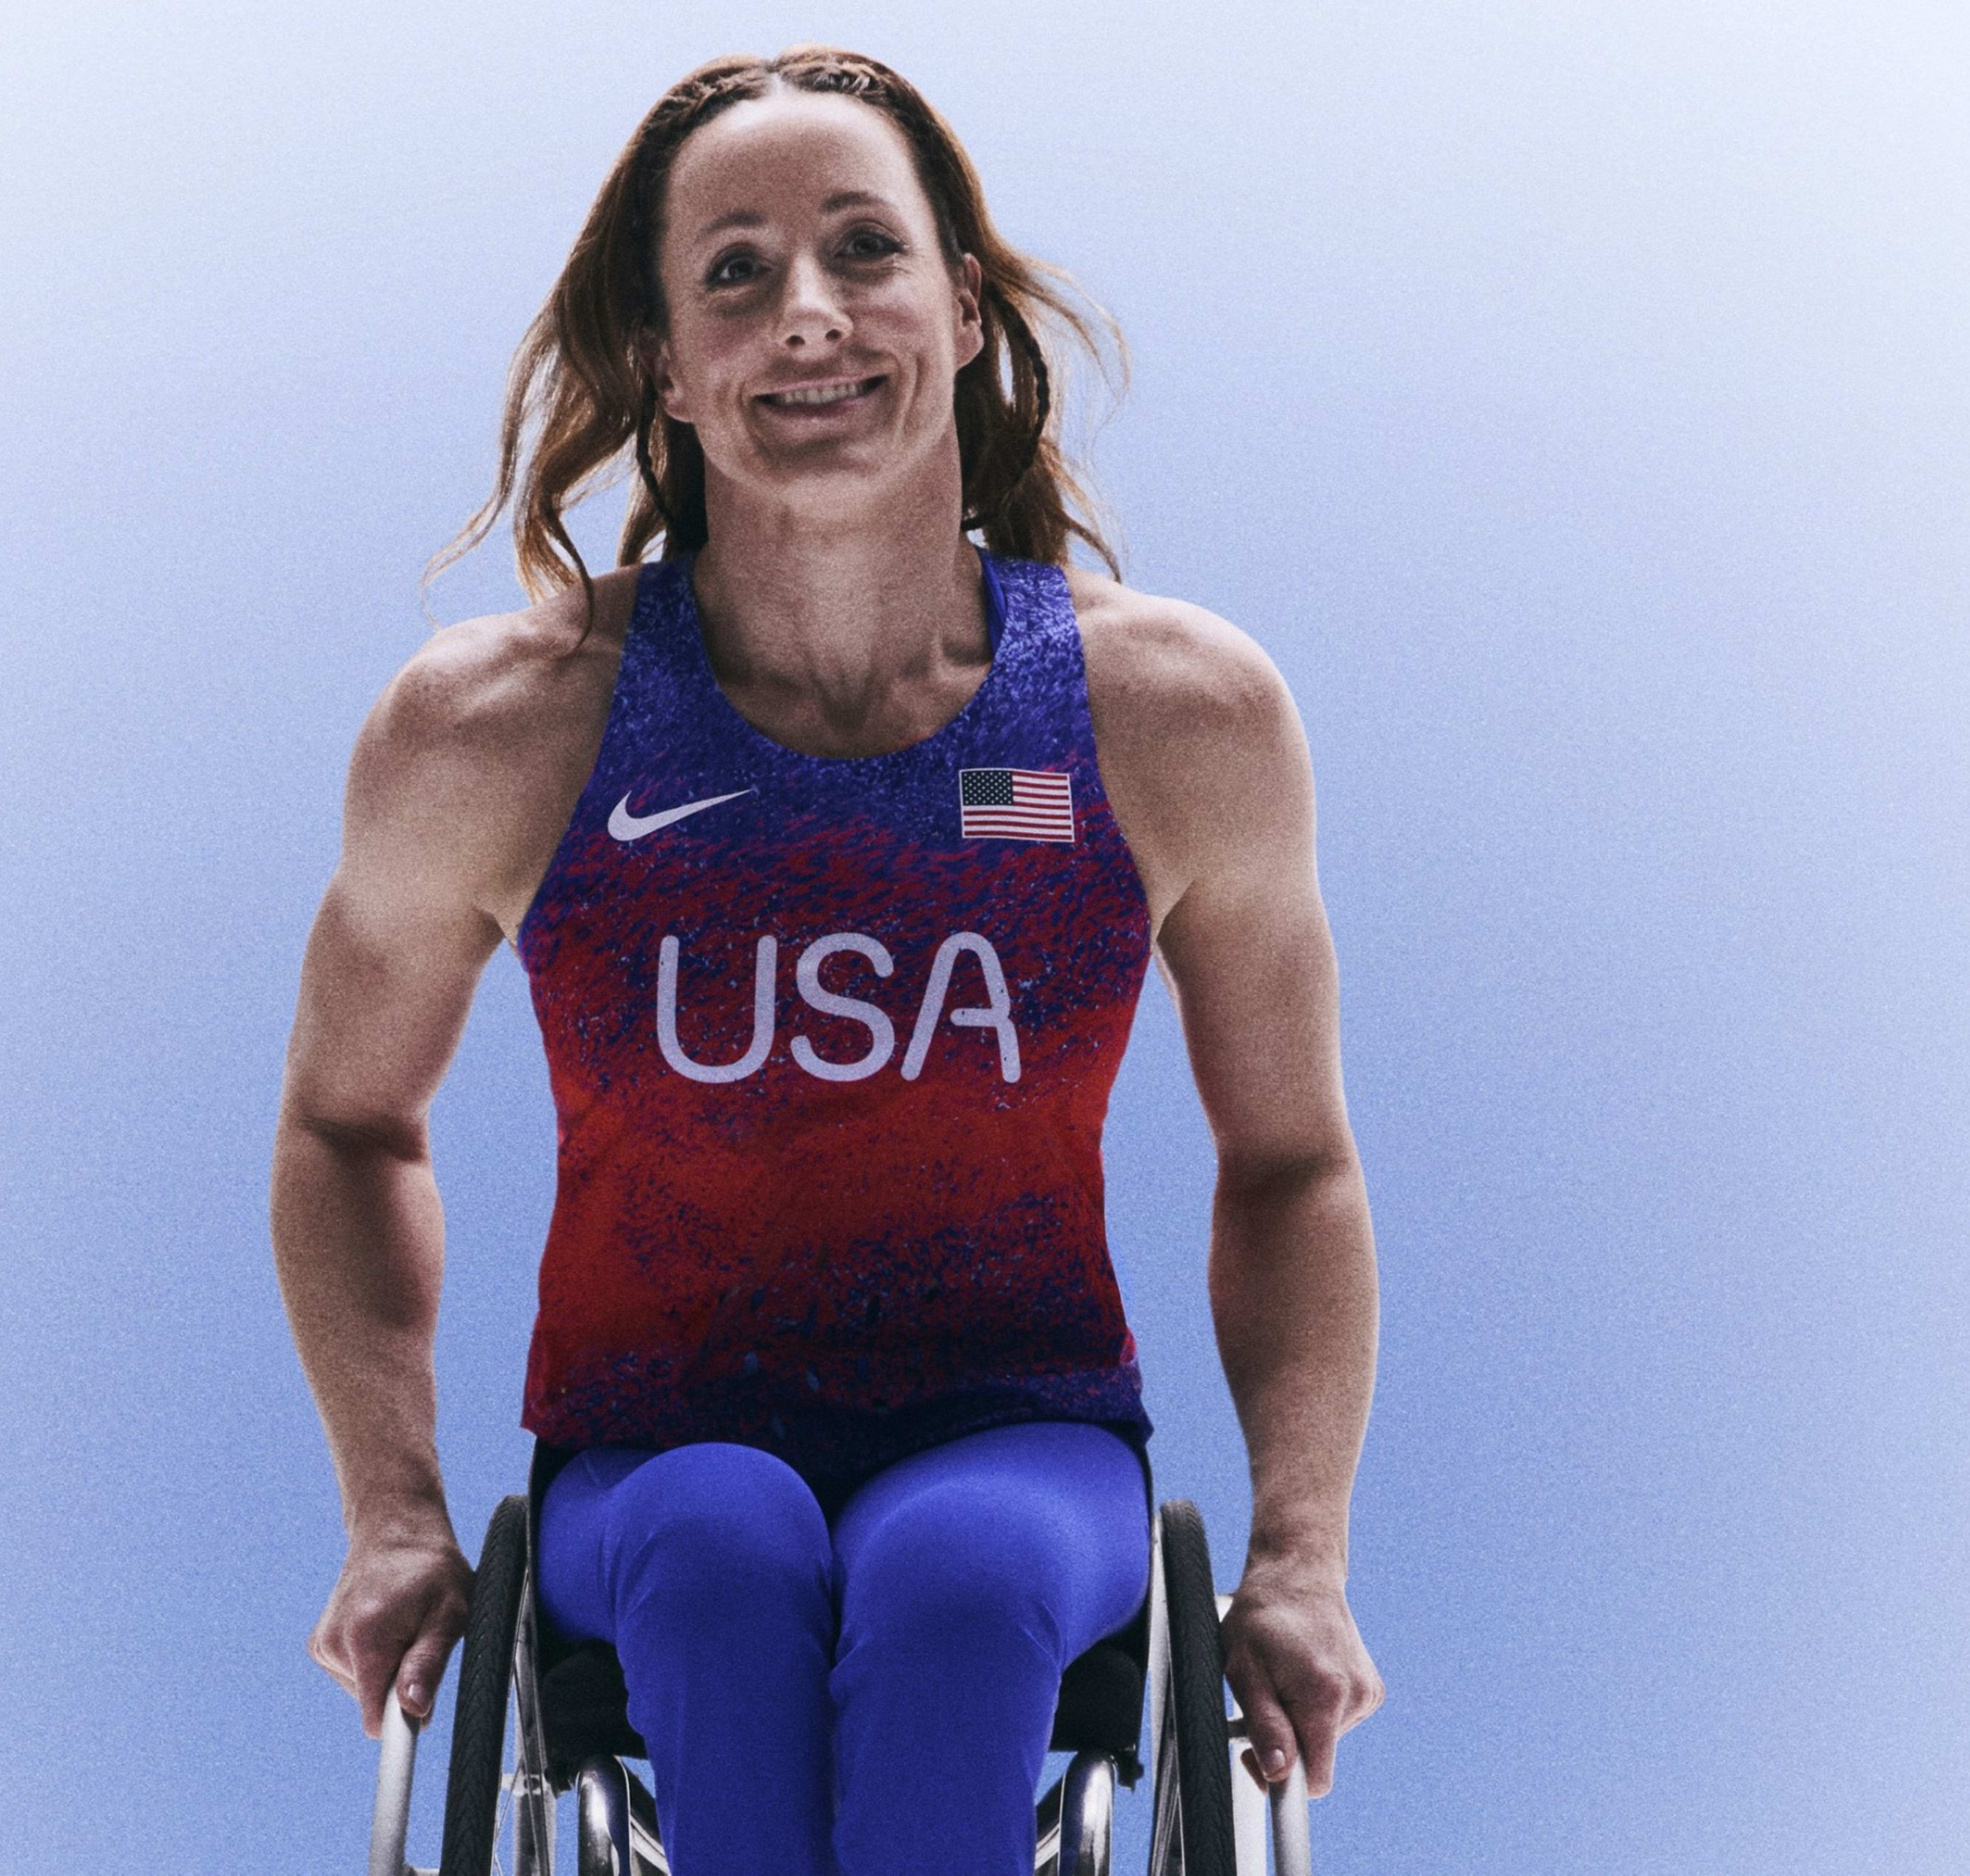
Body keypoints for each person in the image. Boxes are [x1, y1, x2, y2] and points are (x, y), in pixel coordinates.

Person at [271, 45, 1382, 1876]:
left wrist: (1300, 1557)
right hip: (655, 1451)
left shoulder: (1167, 716)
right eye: (733, 270)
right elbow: (342, 1125)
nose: (807, 315)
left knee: (959, 1572)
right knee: (723, 1548)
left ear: (955, 306)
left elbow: (1293, 1158)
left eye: (864, 249)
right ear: (663, 362)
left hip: (1021, 1437)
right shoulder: (499, 730)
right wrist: (391, 1514)